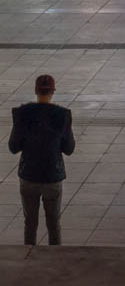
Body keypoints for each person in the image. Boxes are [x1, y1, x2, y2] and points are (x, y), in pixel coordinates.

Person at [8, 73, 75, 246]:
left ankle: (29, 260)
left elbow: (13, 147)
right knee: (53, 225)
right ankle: (55, 260)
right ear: (52, 92)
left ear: (36, 91)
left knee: (30, 224)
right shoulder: (62, 115)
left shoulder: (22, 114)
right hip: (52, 177)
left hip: (29, 176)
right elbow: (69, 149)